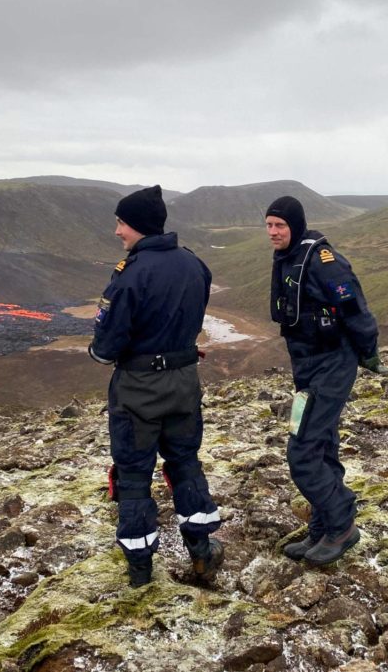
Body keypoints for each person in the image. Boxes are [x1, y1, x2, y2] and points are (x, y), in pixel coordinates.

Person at [88, 185, 223, 587]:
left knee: (133, 476)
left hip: (138, 392)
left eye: (121, 223)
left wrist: (102, 351)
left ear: (139, 226)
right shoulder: (194, 265)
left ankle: (140, 572)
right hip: (183, 385)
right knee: (185, 464)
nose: (117, 232)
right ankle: (201, 554)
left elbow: (107, 345)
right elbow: (189, 321)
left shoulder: (130, 275)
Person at [265, 196, 384, 566]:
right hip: (308, 365)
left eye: (280, 226)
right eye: (268, 225)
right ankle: (322, 529)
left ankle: (342, 523)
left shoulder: (322, 261)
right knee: (322, 445)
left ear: (295, 226)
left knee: (302, 452)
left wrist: (368, 350)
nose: (273, 232)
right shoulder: (288, 259)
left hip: (333, 363)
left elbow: (353, 308)